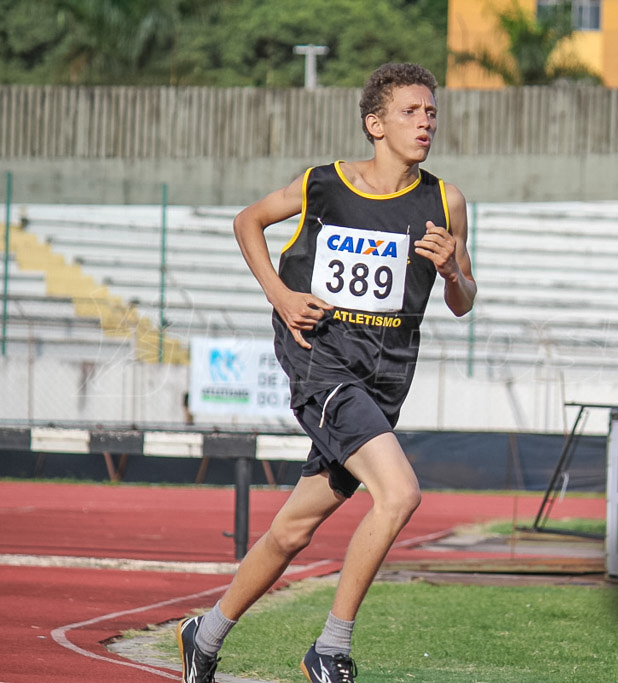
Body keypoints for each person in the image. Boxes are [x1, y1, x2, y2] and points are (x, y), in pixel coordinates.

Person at [176, 63, 476, 683]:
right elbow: (247, 221)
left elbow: (464, 298)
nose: (426, 121)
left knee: (293, 529)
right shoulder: (324, 185)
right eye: (411, 111)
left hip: (387, 376)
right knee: (399, 494)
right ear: (375, 124)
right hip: (321, 359)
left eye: (431, 112)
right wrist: (280, 296)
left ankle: (203, 636)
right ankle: (331, 647)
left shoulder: (446, 201)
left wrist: (453, 272)